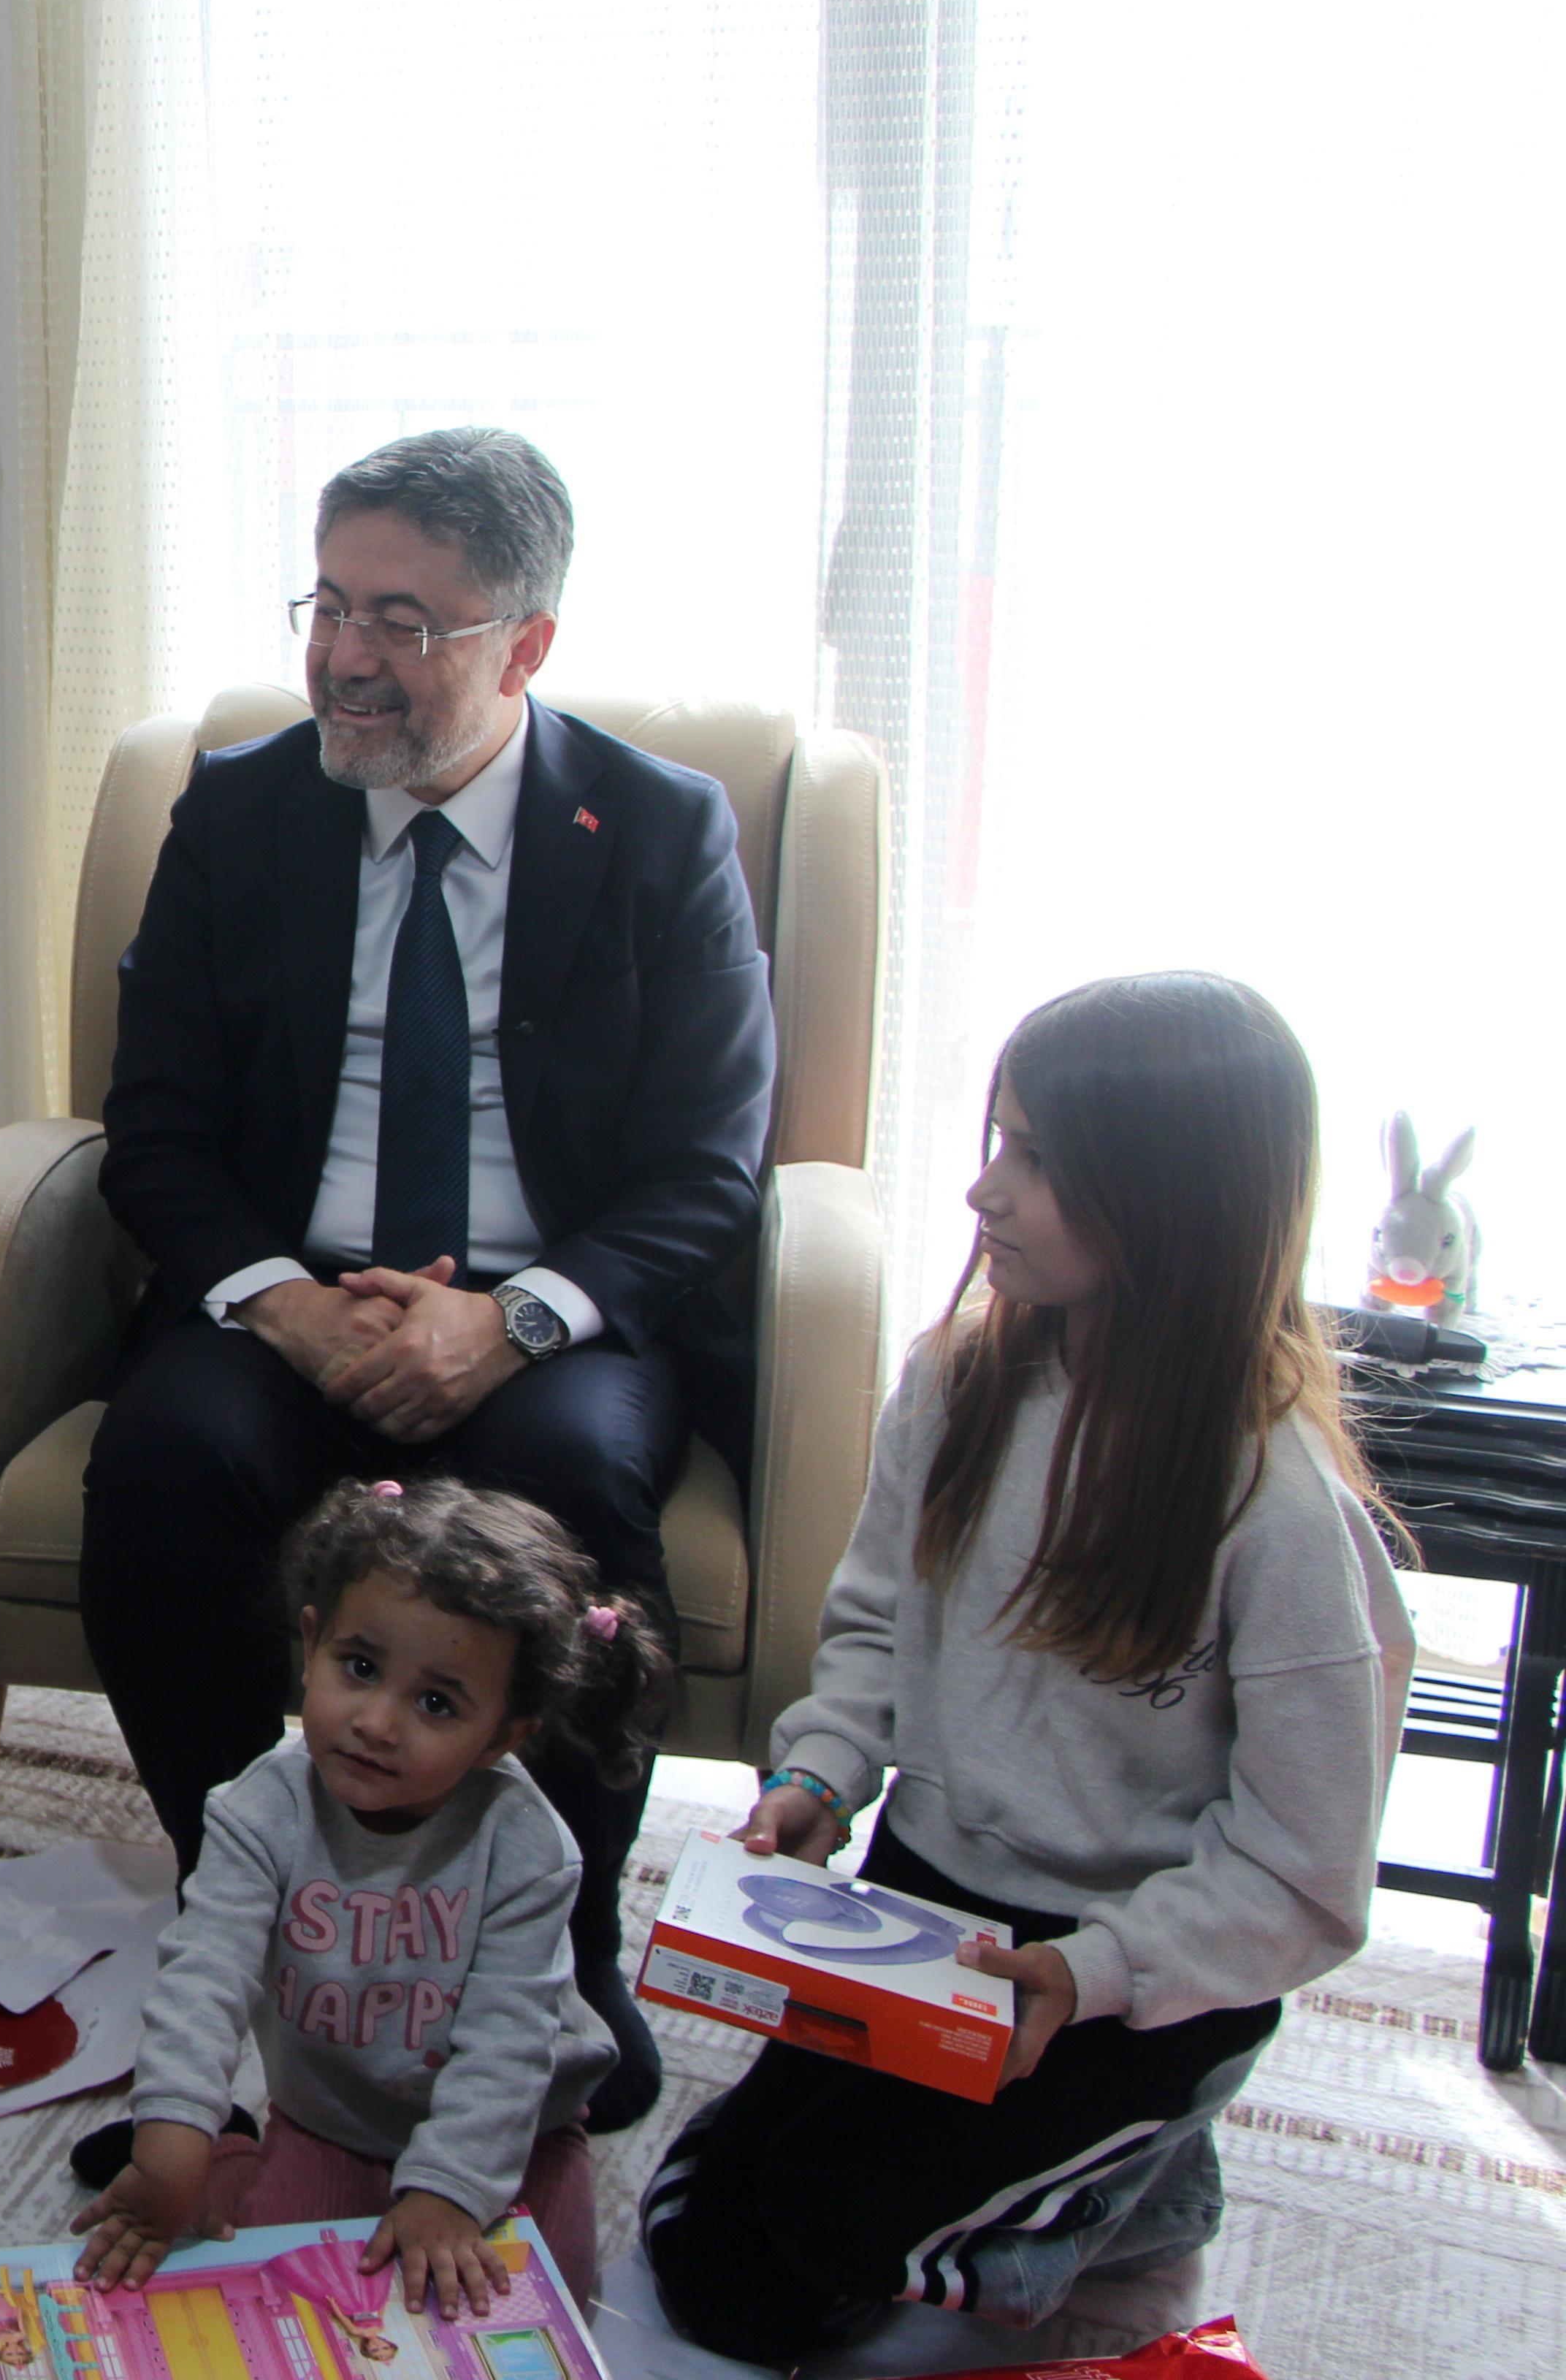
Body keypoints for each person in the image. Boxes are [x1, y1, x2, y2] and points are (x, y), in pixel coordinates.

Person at [77, 427, 777, 2157]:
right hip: (289, 1293)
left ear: (524, 643)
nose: (343, 654)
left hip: (544, 1303)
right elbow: (152, 1129)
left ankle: (554, 1957)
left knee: (566, 1484)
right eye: (328, 603)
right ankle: (251, 1936)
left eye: (402, 619)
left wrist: (513, 1320)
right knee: (165, 1460)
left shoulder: (656, 830)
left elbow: (707, 1164)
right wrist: (286, 1306)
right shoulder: (241, 809)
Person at [640, 972, 1415, 2366]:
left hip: (1132, 1971)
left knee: (838, 2242)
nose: (981, 1191)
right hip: (930, 1905)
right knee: (697, 2251)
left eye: (1038, 1159)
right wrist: (821, 1772)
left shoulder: (1281, 1509)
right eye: (997, 1139)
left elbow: (1303, 1877)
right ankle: (1086, 2170)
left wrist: (1098, 1970)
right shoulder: (955, 1382)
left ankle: (1145, 2193)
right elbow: (871, 1630)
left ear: (1171, 1197)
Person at [72, 1477, 664, 2315]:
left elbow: (507, 2044)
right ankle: (235, 2150)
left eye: (436, 1703)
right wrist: (172, 2133)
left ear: (502, 1736)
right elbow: (203, 1979)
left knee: (535, 2302)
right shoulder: (258, 1809)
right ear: (311, 1643)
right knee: (290, 2294)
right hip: (332, 2115)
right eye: (359, 1667)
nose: (378, 1723)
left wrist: (452, 2191)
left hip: (520, 2123)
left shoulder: (527, 1845)